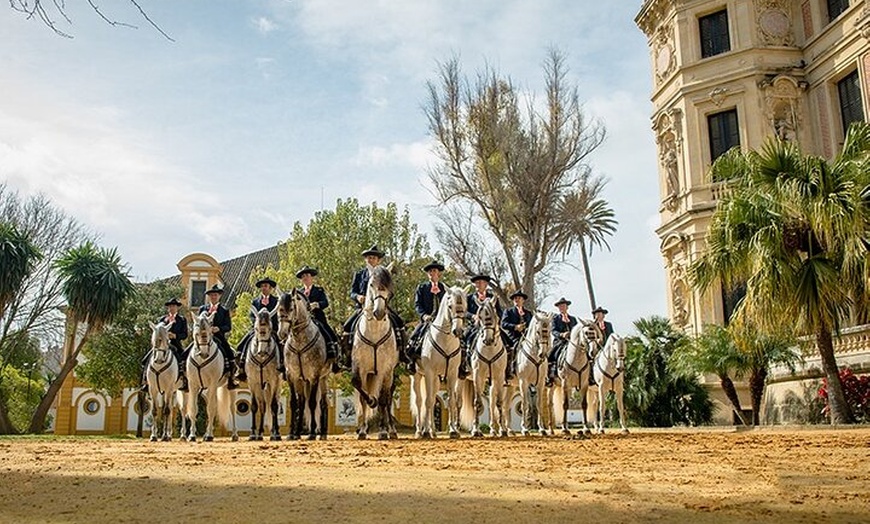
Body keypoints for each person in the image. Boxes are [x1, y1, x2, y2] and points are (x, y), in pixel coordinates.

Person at [340, 245, 407, 368]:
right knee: (347, 326)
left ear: (378, 260)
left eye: (374, 258)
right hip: (362, 308)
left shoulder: (385, 274)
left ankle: (402, 353)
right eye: (369, 258)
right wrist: (358, 297)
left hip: (381, 305)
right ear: (366, 259)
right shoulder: (360, 274)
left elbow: (391, 291)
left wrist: (384, 301)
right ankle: (348, 357)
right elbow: (352, 292)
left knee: (399, 323)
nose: (371, 260)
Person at [236, 277, 285, 382]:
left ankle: (282, 365)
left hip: (272, 329)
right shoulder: (255, 302)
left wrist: (270, 324)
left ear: (270, 288)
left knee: (280, 343)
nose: (264, 288)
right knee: (242, 344)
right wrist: (257, 323)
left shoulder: (276, 301)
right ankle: (241, 367)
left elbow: (279, 315)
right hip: (257, 329)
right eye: (262, 286)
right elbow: (251, 316)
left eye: (266, 286)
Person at [296, 265, 341, 373]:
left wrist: (317, 304)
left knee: (331, 335)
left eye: (307, 275)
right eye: (303, 276)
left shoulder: (319, 290)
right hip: (303, 322)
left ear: (312, 277)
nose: (305, 278)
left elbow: (325, 303)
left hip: (317, 319)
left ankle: (335, 359)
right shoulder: (298, 293)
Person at [406, 260, 446, 374]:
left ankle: (460, 363)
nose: (432, 273)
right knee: (414, 336)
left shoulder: (443, 288)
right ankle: (412, 361)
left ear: (439, 274)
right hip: (426, 320)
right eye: (430, 271)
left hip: (441, 321)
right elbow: (417, 304)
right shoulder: (422, 287)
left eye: (434, 271)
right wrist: (424, 316)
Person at [141, 298, 189, 393]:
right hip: (161, 345)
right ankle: (145, 381)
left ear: (177, 308)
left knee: (183, 360)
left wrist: (175, 336)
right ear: (168, 308)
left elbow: (185, 334)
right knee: (145, 360)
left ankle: (184, 380)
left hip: (175, 344)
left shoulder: (182, 320)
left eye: (174, 306)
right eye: (170, 306)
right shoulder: (162, 319)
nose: (172, 308)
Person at [459, 274, 502, 379]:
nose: (479, 284)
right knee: (463, 340)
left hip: (490, 327)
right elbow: (464, 312)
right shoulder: (469, 298)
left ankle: (507, 368)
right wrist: (473, 316)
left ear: (486, 284)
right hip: (474, 326)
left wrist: (497, 321)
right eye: (477, 283)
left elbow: (500, 312)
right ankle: (463, 366)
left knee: (507, 341)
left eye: (481, 282)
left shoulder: (493, 298)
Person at [199, 285, 238, 389]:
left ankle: (231, 378)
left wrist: (218, 329)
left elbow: (228, 326)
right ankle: (186, 374)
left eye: (215, 295)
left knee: (229, 353)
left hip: (218, 337)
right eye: (211, 295)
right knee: (189, 350)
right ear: (209, 296)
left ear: (219, 296)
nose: (213, 297)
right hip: (203, 338)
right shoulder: (202, 309)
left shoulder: (224, 310)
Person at [500, 290, 532, 382]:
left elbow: (531, 326)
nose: (517, 300)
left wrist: (526, 329)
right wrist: (515, 327)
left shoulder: (528, 313)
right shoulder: (508, 311)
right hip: (513, 337)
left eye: (519, 298)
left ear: (523, 300)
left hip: (526, 337)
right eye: (515, 298)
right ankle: (509, 370)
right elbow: (503, 324)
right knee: (514, 348)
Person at [547, 297, 578, 386]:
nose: (562, 308)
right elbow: (553, 330)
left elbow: (576, 331)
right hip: (560, 342)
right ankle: (551, 374)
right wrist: (561, 335)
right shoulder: (555, 318)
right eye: (560, 306)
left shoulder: (573, 319)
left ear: (567, 307)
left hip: (571, 342)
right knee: (553, 354)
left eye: (564, 306)